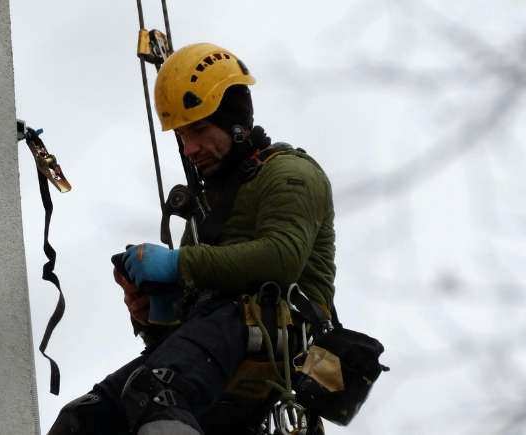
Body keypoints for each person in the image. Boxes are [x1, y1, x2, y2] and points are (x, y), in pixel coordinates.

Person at [47, 42, 336, 435]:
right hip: (224, 337)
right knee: (85, 421)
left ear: (236, 123)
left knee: (156, 392)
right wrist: (154, 311)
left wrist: (177, 264)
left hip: (274, 335)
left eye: (199, 130)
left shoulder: (291, 176)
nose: (190, 148)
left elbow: (281, 258)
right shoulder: (207, 209)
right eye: (182, 136)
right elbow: (192, 325)